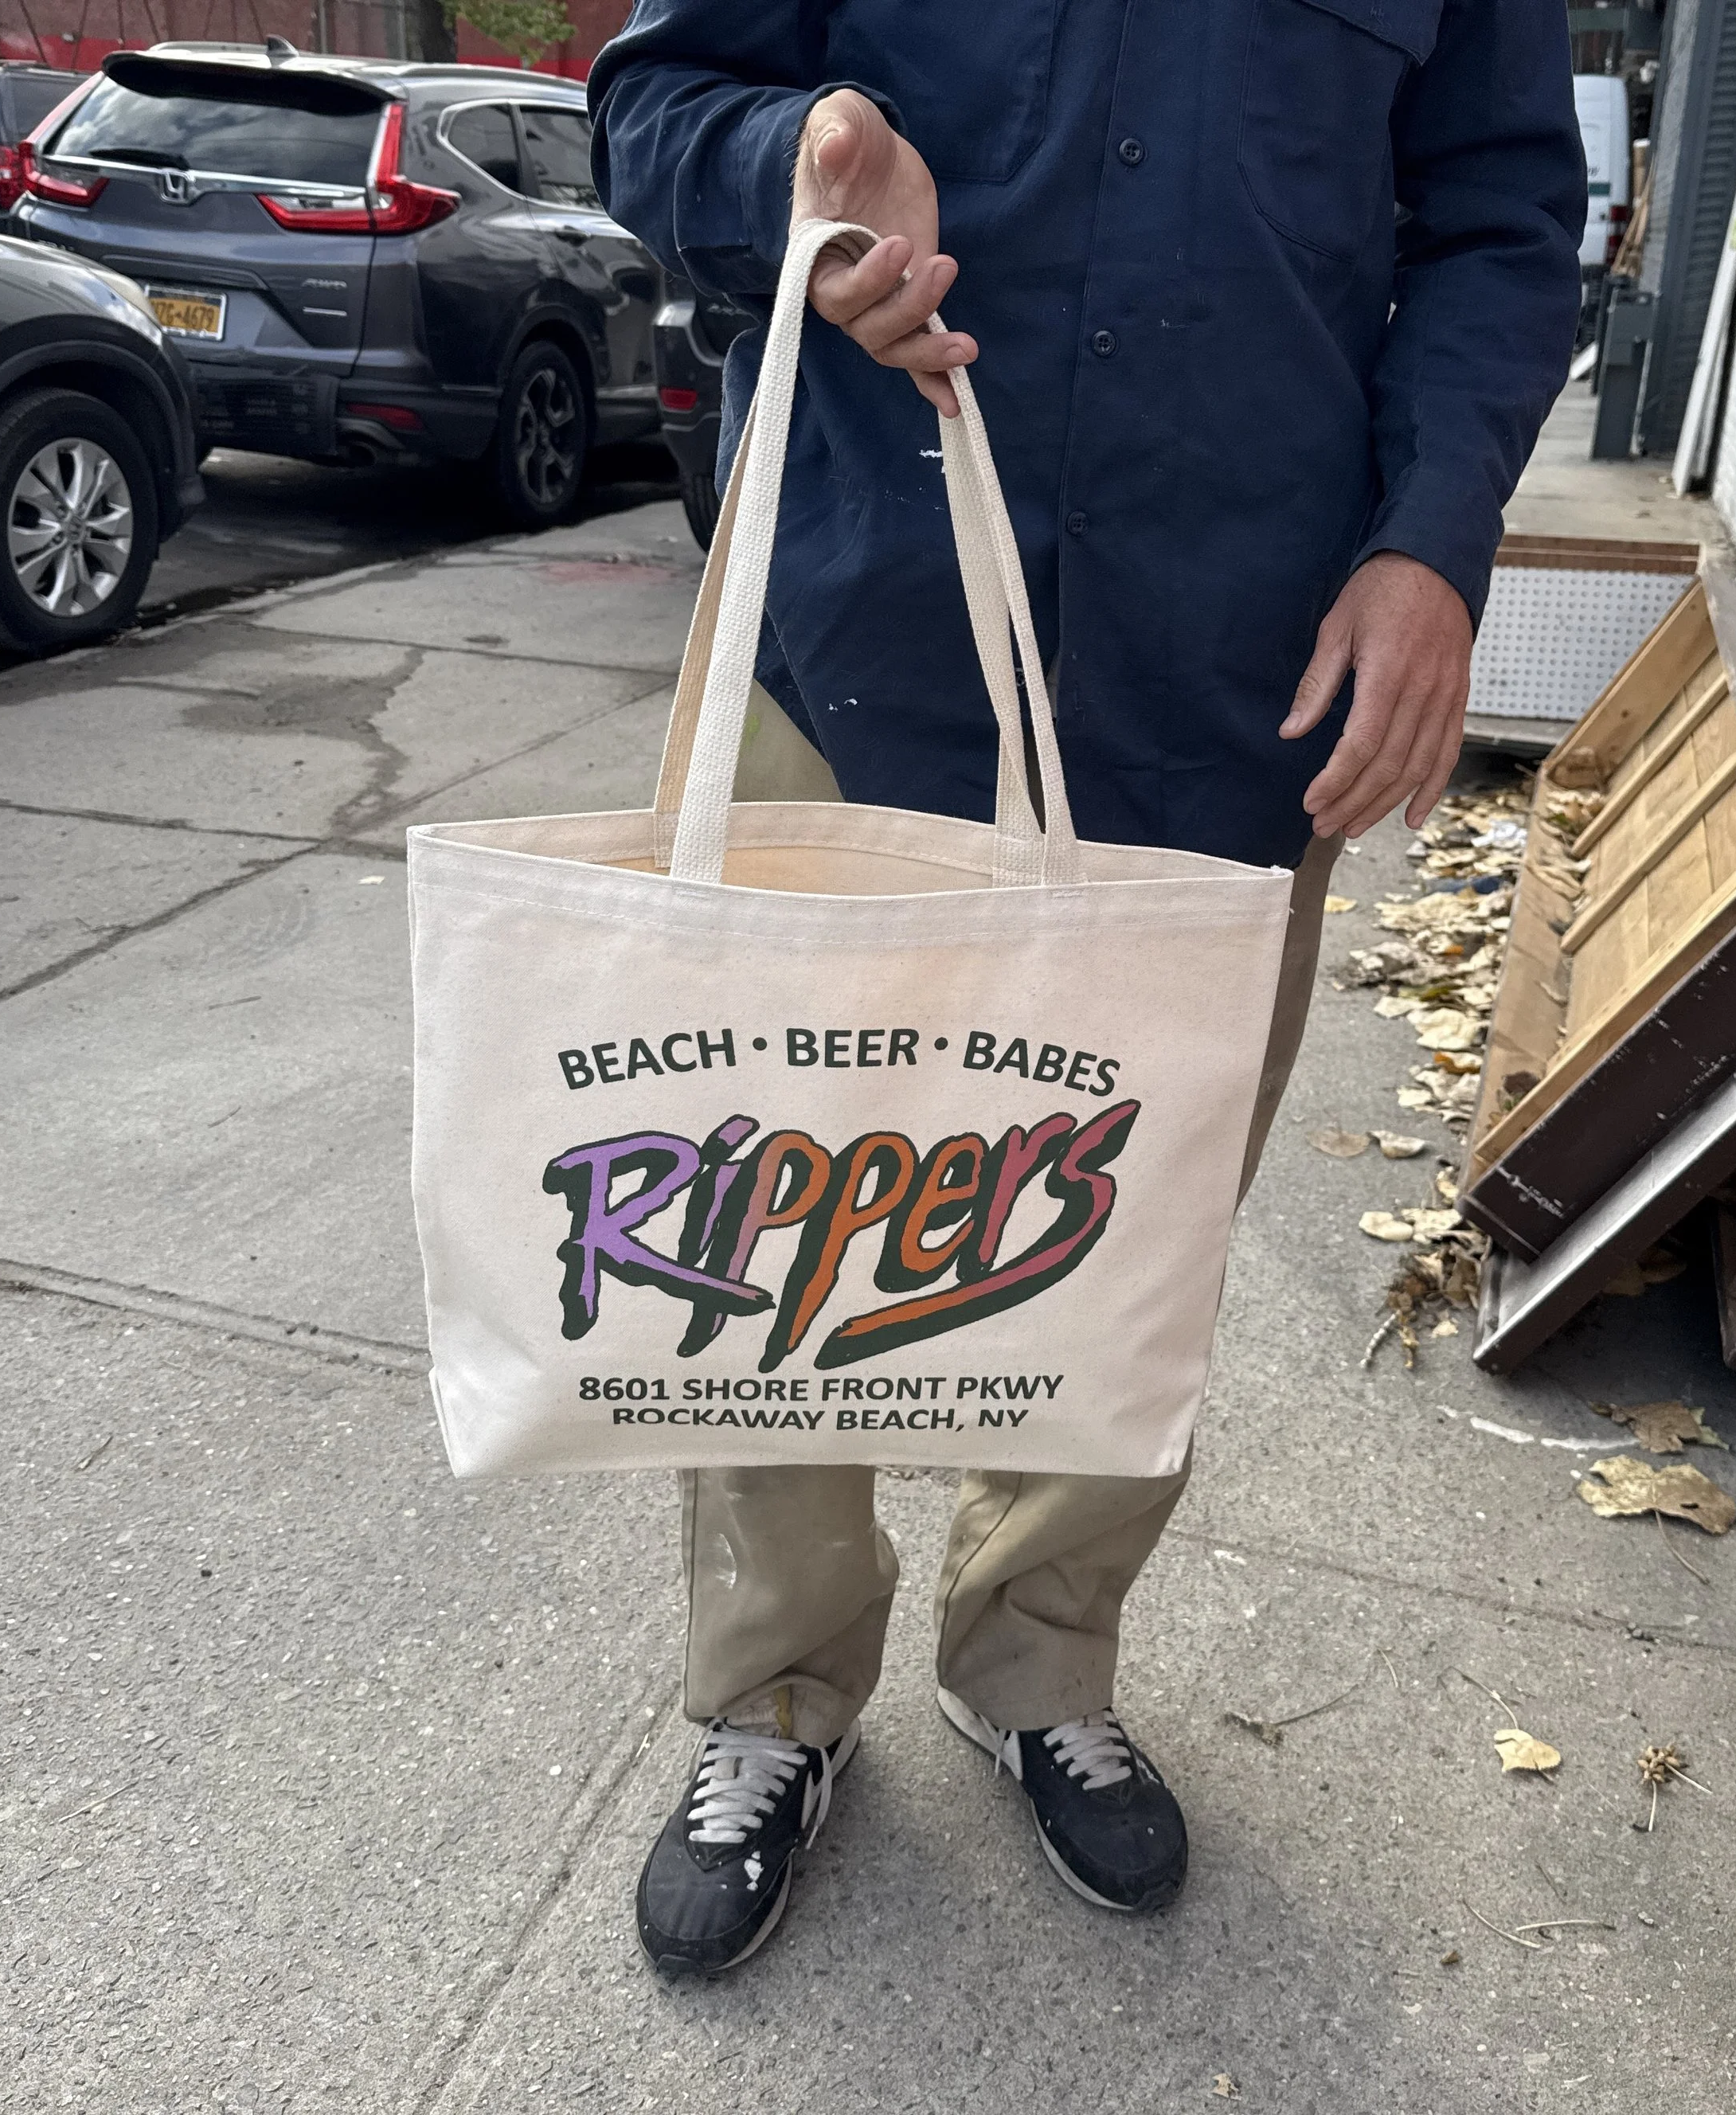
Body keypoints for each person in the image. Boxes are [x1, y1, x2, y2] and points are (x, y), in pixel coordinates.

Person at [588, 0, 1584, 1976]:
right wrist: (794, 179)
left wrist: (1433, 543)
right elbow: (651, 103)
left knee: (1126, 1232)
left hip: (1229, 671)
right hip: (850, 622)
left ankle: (1033, 1656)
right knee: (775, 1223)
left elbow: (1495, 210)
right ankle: (773, 1692)